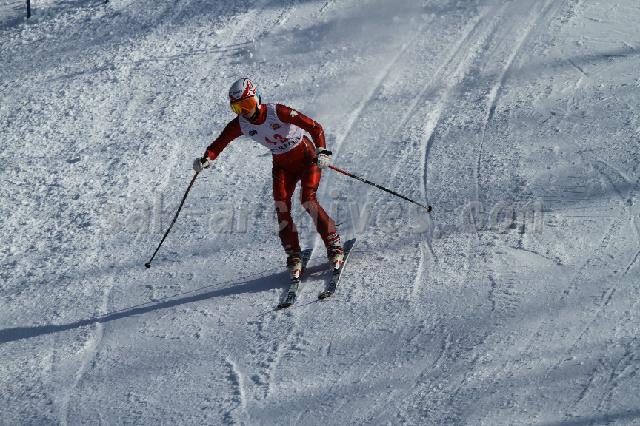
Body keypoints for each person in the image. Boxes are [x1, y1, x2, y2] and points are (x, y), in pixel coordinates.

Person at [193, 78, 344, 278]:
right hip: (282, 165)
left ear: (257, 99)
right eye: (237, 108)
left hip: (307, 157)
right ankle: (293, 254)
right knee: (281, 205)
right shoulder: (241, 124)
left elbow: (315, 127)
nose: (244, 111)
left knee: (307, 199)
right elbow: (219, 143)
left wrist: (322, 151)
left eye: (247, 104)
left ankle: (333, 244)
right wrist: (206, 158)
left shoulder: (277, 112)